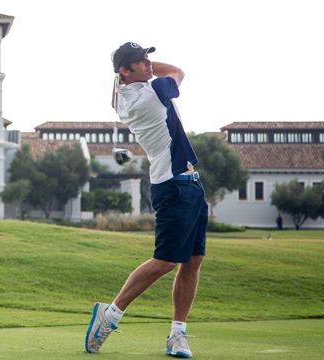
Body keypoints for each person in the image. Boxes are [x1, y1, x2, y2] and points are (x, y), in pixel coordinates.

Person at [85, 42, 208, 358]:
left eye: (148, 57)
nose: (149, 63)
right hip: (173, 185)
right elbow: (178, 72)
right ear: (125, 71)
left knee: (193, 261)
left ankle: (177, 334)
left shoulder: (122, 96)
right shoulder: (152, 93)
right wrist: (151, 70)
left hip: (190, 185)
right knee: (166, 260)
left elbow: (114, 92)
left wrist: (137, 67)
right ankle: (110, 314)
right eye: (141, 61)